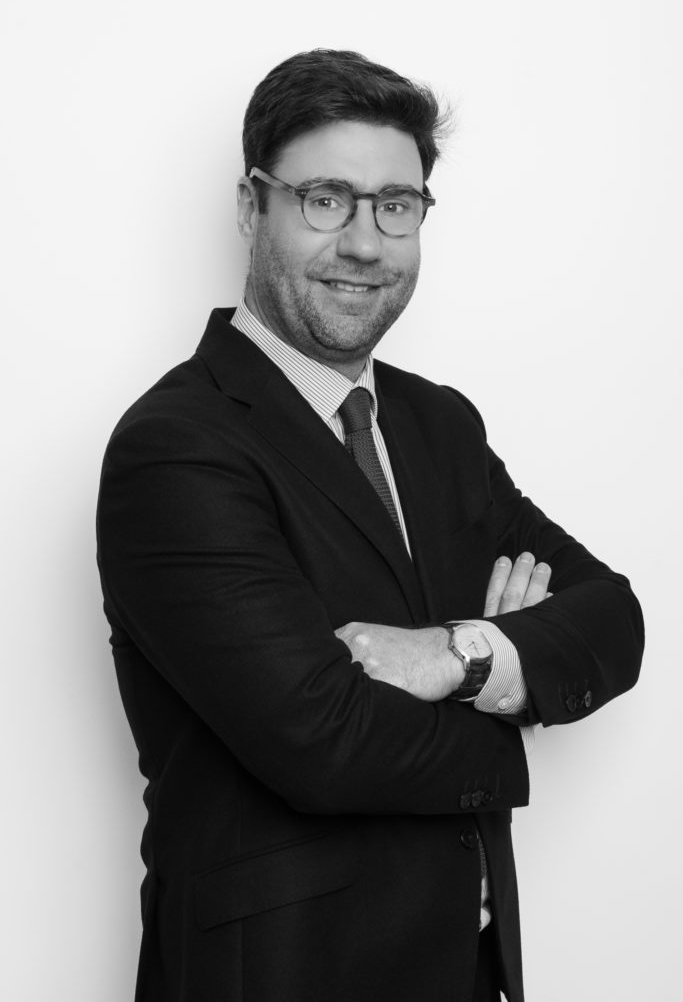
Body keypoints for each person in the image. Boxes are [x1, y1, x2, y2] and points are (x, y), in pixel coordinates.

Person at [96, 49, 644, 1002]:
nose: (364, 244)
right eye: (325, 200)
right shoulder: (177, 447)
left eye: (395, 205)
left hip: (466, 971)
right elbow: (321, 741)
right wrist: (513, 692)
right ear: (251, 206)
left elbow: (612, 616)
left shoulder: (438, 424)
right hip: (280, 977)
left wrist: (455, 656)